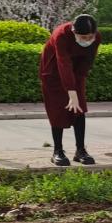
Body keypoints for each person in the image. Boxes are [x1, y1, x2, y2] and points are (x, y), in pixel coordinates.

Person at [39, 14, 101, 166]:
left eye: (89, 36)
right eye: (83, 37)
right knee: (58, 110)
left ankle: (80, 150)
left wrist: (77, 85)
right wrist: (71, 91)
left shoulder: (96, 38)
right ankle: (58, 151)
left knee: (79, 109)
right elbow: (63, 63)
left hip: (76, 71)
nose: (87, 40)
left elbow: (88, 61)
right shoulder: (61, 35)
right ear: (74, 32)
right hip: (52, 72)